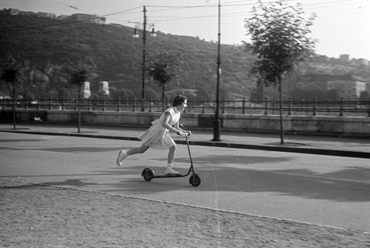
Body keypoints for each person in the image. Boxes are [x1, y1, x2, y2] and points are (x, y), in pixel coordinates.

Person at [116, 95, 191, 175]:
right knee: (142, 149)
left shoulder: (178, 113)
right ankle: (124, 154)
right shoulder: (170, 111)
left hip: (164, 132)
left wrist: (186, 132)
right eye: (185, 103)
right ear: (180, 103)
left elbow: (177, 127)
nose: (186, 105)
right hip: (156, 131)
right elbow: (164, 123)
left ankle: (169, 169)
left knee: (173, 147)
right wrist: (176, 131)